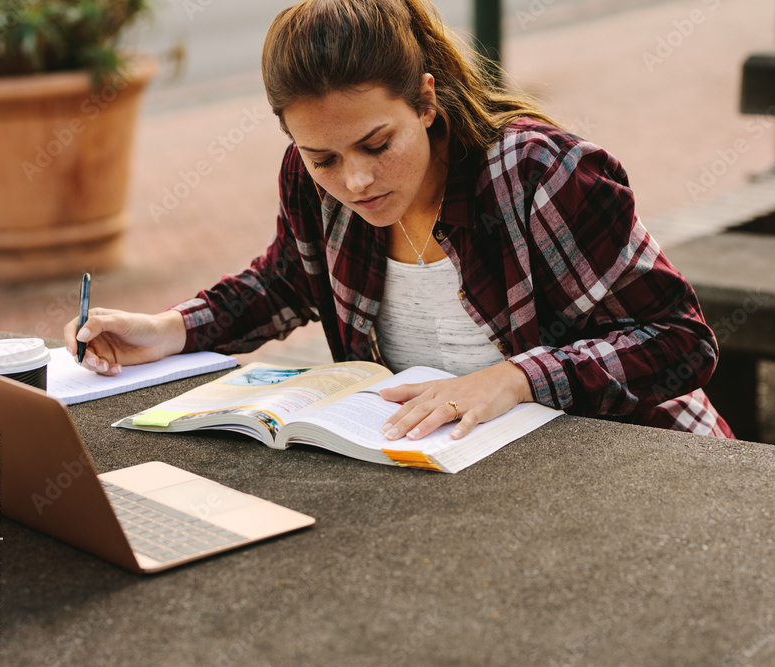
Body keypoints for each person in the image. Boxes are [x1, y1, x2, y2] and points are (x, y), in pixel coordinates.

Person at [64, 0, 734, 442]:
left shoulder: (541, 176)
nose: (355, 181)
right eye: (323, 156)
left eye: (378, 144)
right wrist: (165, 329)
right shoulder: (311, 184)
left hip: (648, 464)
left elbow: (681, 341)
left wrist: (517, 377)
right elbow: (285, 282)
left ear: (425, 100)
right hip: (472, 481)